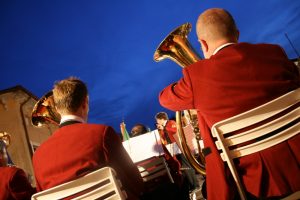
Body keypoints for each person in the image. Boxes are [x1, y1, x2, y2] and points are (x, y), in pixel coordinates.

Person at [158, 8, 300, 200]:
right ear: (237, 34)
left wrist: (197, 80)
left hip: (252, 186)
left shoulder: (196, 76)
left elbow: (164, 98)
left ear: (202, 44)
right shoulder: (275, 52)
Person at [32, 77, 144, 200]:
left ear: (57, 109)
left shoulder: (38, 155)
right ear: (85, 103)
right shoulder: (102, 133)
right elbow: (136, 183)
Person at [155, 112, 199, 199]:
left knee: (187, 166)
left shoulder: (171, 123)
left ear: (161, 119)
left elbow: (175, 131)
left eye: (157, 120)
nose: (157, 122)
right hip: (175, 148)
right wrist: (162, 130)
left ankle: (195, 185)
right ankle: (191, 185)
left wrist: (164, 128)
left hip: (180, 147)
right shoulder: (164, 127)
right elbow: (164, 138)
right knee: (183, 167)